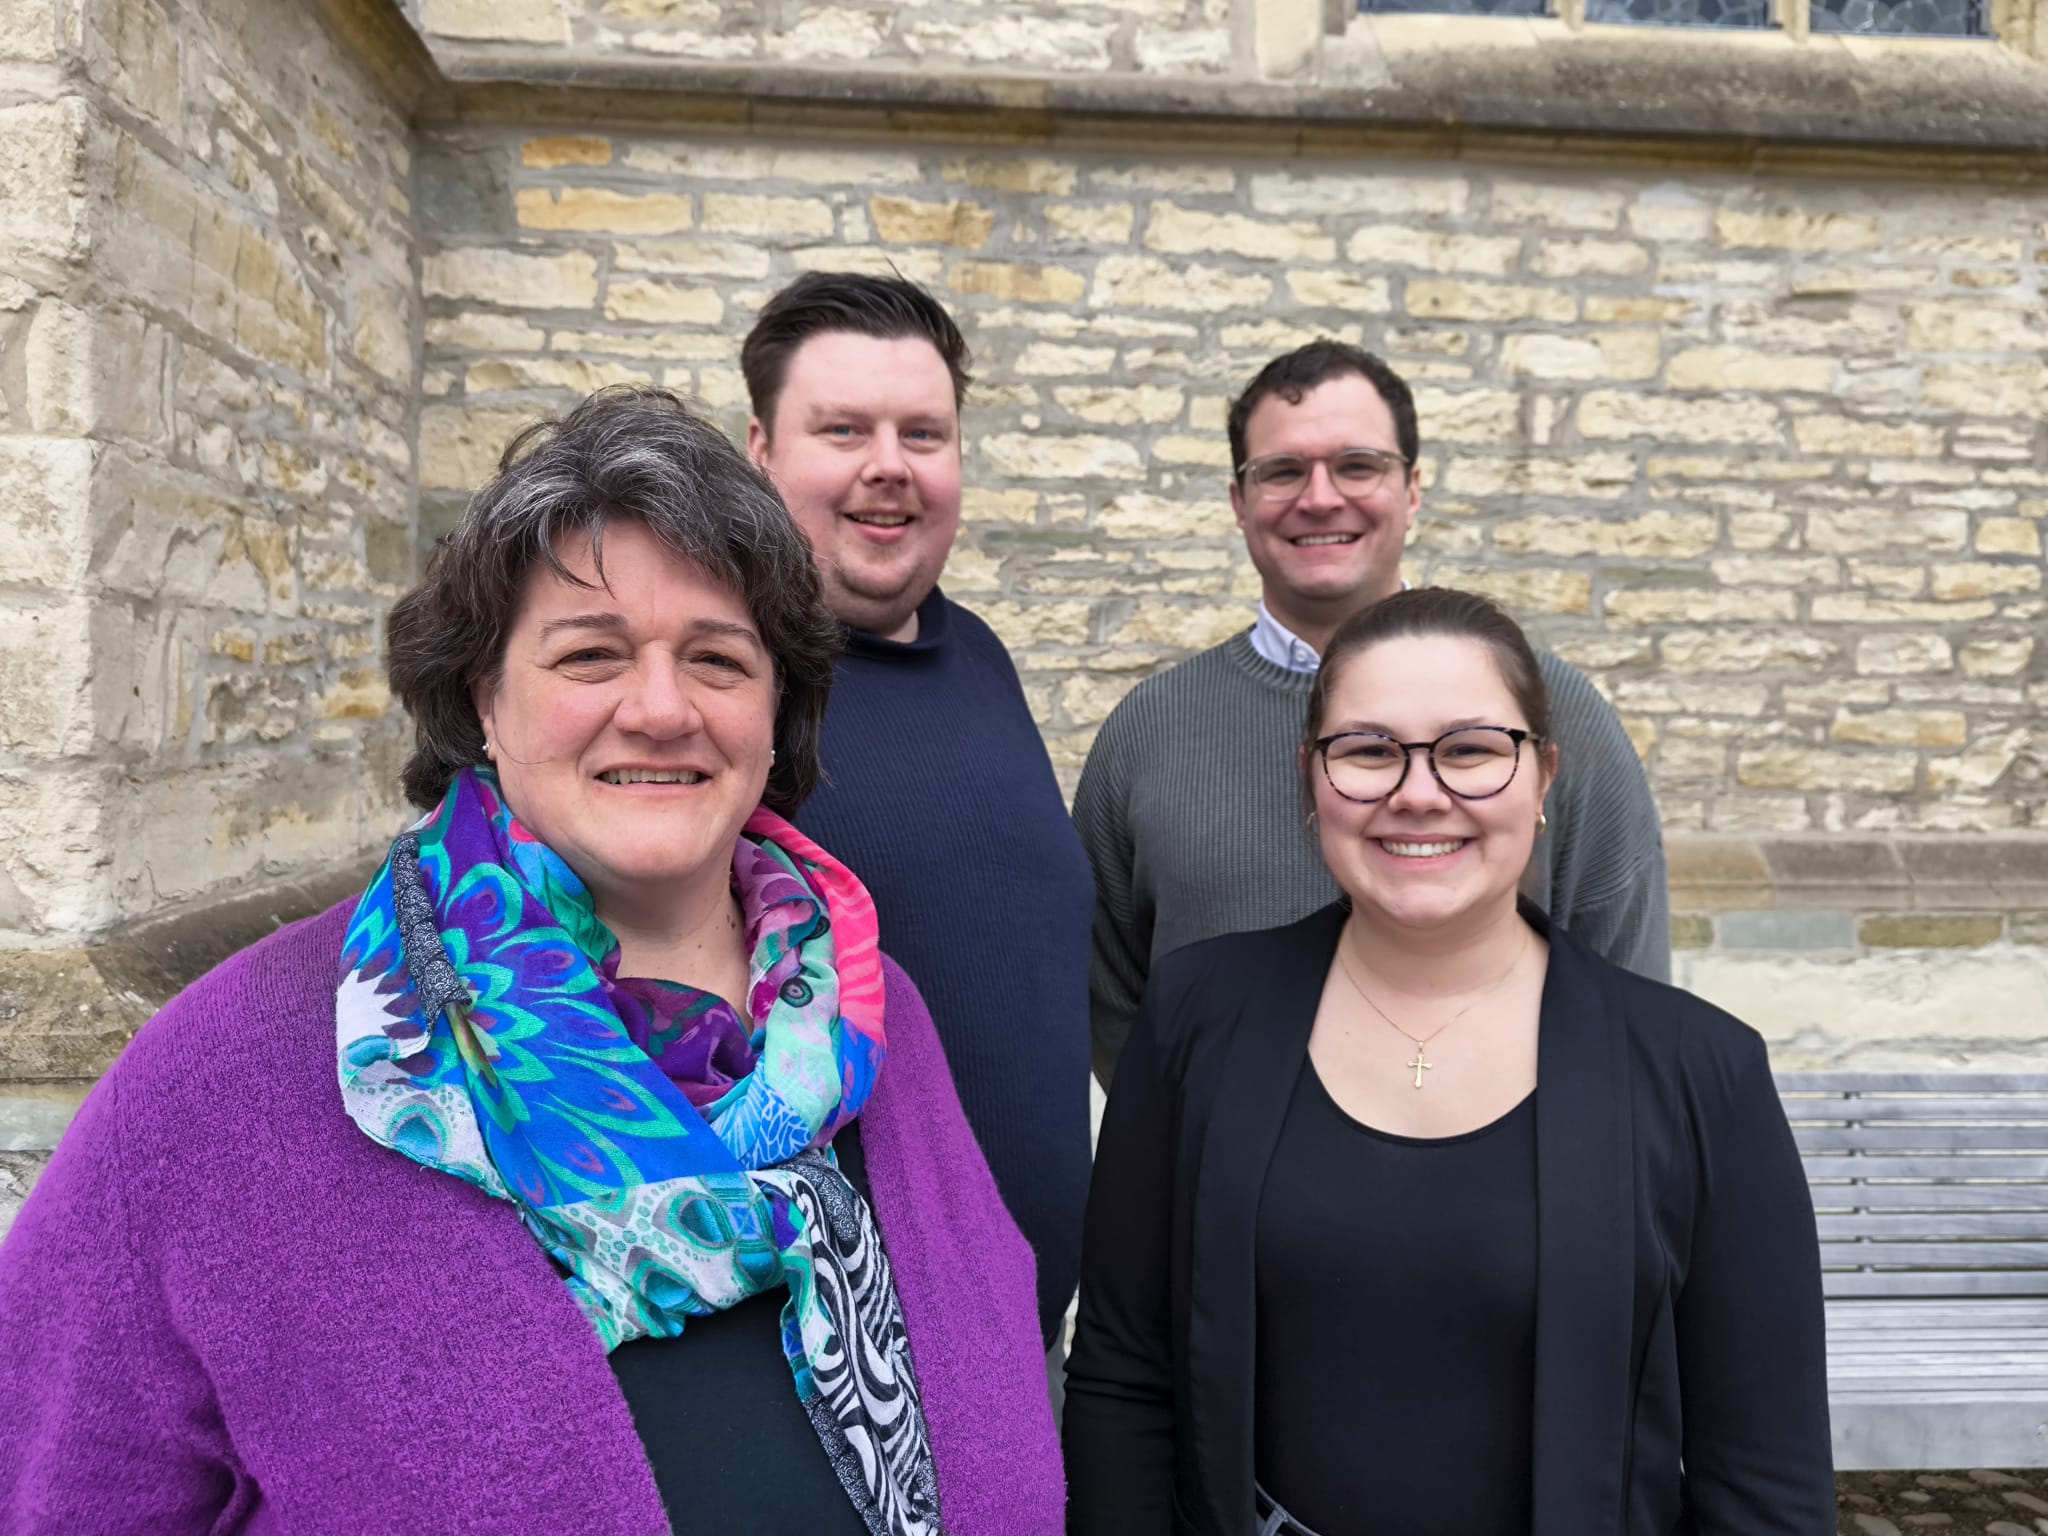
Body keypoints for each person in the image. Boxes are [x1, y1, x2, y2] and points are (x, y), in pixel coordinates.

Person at [0, 389, 1063, 1535]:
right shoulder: (225, 1076)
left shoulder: (870, 1016)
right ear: (484, 702)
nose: (660, 709)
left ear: (775, 712)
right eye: (589, 654)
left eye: (716, 658)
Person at [1062, 587, 1832, 1536]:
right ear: (1310, 778)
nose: (1418, 792)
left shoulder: (1701, 1074)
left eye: (1470, 750)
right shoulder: (1194, 1019)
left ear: (1543, 777)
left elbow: (1764, 1477)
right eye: (1368, 750)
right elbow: (1123, 1376)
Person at [1077, 340, 1671, 1088]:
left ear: (1412, 490)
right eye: (1282, 471)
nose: (1320, 497)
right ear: (1238, 501)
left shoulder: (1550, 713)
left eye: (1358, 466)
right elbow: (1110, 997)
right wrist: (1199, 1131)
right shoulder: (1150, 731)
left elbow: (1627, 989)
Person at [743, 273, 1093, 1356]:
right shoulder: (726, 690)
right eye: (843, 430)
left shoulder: (976, 654)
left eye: (923, 433)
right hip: (842, 1363)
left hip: (1026, 1341)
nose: (888, 464)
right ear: (761, 451)